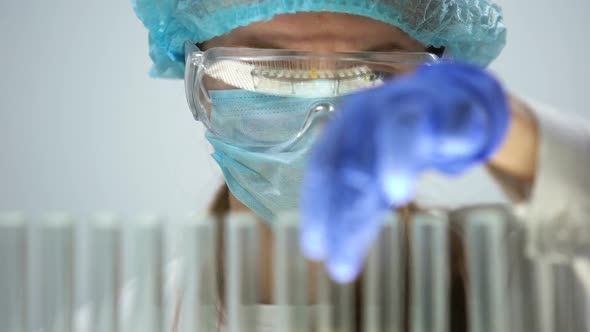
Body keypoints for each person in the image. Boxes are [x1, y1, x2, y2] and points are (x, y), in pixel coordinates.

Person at [133, 0, 590, 287]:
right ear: (197, 78)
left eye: (375, 75)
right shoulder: (123, 320)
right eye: (265, 69)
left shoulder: (530, 281)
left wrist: (513, 133)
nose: (322, 112)